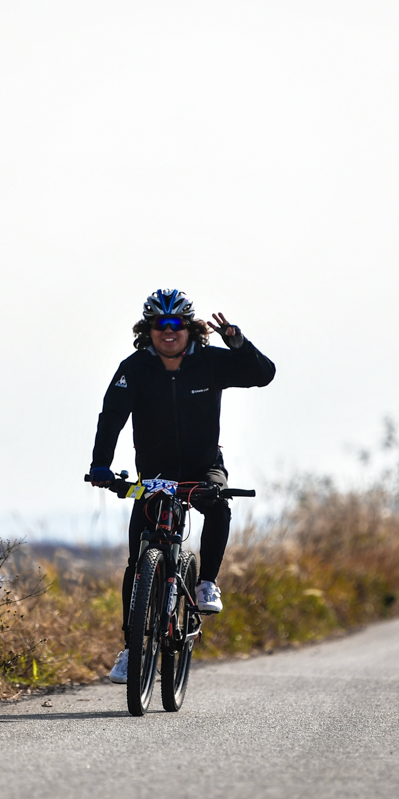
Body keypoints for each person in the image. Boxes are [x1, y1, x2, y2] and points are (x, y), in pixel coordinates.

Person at [89, 289, 276, 683]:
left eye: (176, 323)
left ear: (190, 328)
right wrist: (100, 465)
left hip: (203, 467)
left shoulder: (210, 362)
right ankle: (132, 649)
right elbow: (111, 418)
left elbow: (263, 375)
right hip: (155, 476)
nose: (168, 331)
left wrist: (239, 344)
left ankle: (206, 584)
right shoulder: (134, 368)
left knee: (218, 504)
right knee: (137, 563)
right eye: (160, 324)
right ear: (149, 330)